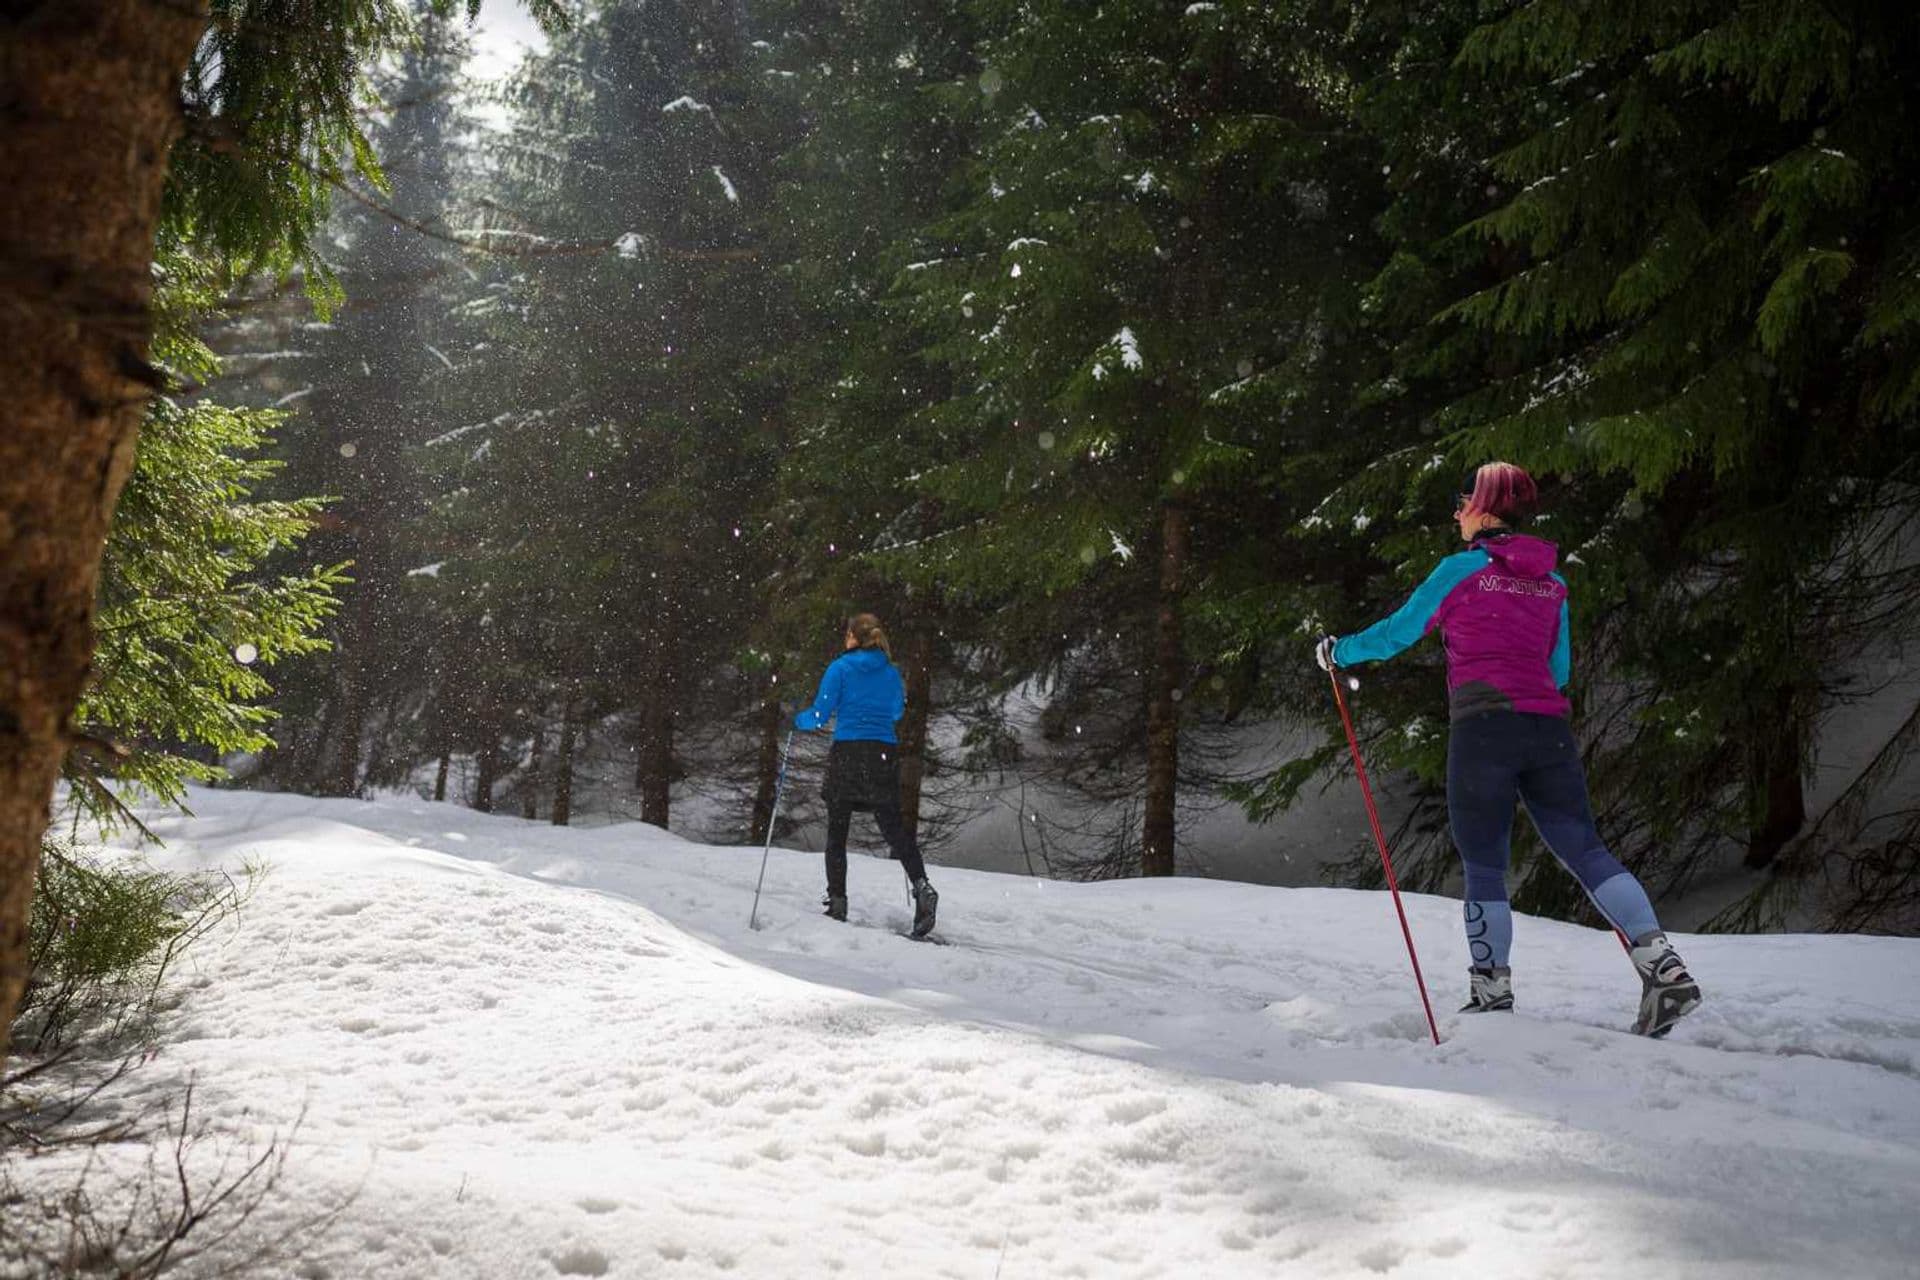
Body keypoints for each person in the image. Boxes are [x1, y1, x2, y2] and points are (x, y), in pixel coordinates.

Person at [1315, 462, 1702, 1036]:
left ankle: (1491, 993)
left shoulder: (1460, 571)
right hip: (1547, 728)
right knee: (1586, 849)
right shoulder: (1553, 583)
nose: (1457, 509)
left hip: (1483, 729)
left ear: (1486, 508)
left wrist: (1338, 652)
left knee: (1485, 862)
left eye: (1464, 499)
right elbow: (1560, 668)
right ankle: (1663, 968)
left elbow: (1401, 630)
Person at [795, 612, 938, 937]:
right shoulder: (890, 672)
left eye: (847, 634)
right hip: (881, 753)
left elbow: (819, 714)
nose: (844, 639)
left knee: (837, 831)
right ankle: (922, 885)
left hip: (848, 753)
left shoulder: (840, 668)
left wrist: (797, 721)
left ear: (854, 637)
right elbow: (897, 711)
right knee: (893, 829)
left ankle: (838, 900)